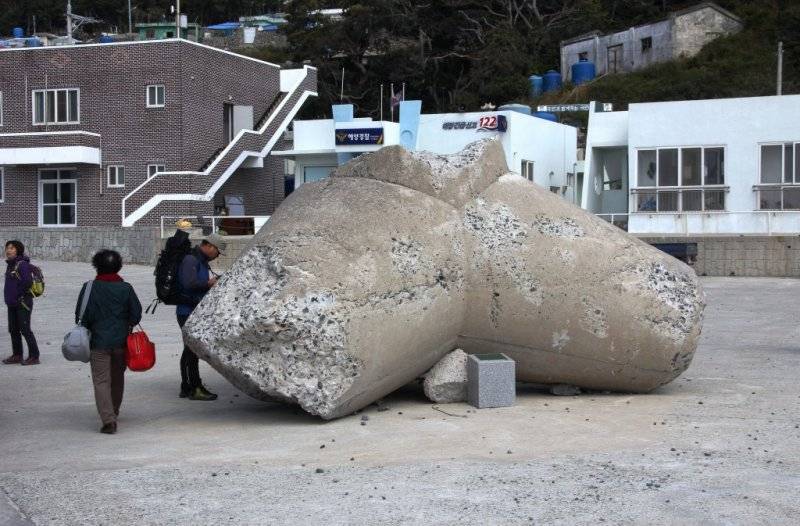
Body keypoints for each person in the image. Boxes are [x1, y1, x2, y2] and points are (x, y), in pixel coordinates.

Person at [76, 250, 142, 434]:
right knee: (117, 378)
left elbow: (81, 315)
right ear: (119, 266)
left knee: (101, 380)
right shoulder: (126, 288)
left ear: (96, 266)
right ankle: (114, 410)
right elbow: (136, 314)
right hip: (121, 342)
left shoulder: (89, 288)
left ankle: (108, 420)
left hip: (98, 342)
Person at [176, 234, 225, 401]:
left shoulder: (200, 260)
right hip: (187, 311)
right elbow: (188, 283)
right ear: (210, 246)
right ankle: (195, 388)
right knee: (192, 350)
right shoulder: (191, 260)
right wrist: (208, 284)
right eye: (218, 251)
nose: (217, 255)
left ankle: (187, 386)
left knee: (189, 349)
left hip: (193, 310)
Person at [3, 240, 40, 365]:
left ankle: (34, 356)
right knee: (13, 329)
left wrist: (18, 295)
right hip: (12, 303)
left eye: (12, 248)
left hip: (22, 302)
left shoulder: (22, 264)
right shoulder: (10, 264)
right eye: (7, 248)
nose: (8, 250)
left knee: (25, 330)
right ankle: (17, 355)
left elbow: (27, 282)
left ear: (18, 250)